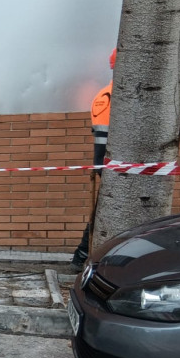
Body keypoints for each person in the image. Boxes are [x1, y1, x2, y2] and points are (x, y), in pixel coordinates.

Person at [71, 49, 114, 270]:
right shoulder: (113, 97)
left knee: (102, 211)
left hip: (107, 163)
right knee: (104, 212)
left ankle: (81, 255)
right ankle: (82, 255)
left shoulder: (104, 95)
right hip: (113, 164)